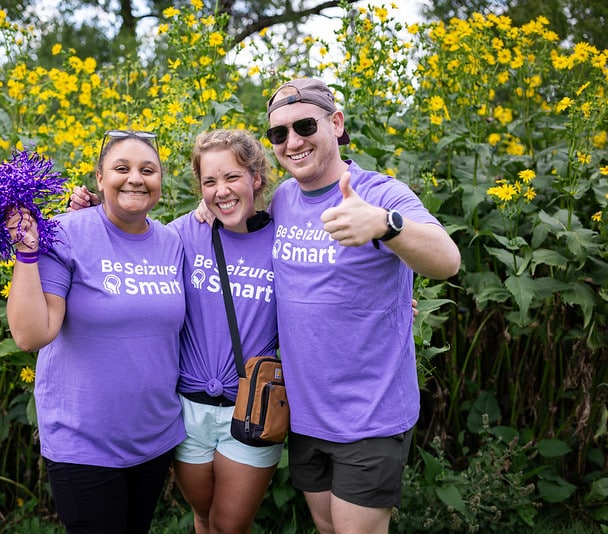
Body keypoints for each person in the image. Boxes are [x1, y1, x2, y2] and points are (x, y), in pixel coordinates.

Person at [262, 78, 461, 534]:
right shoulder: (282, 200)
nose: (293, 142)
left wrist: (385, 226)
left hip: (369, 415)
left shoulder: (381, 194)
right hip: (306, 414)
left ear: (336, 122)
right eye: (278, 133)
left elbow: (448, 260)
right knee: (327, 527)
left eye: (305, 125)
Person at [70, 129, 282, 533]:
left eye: (232, 177)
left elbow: (323, 288)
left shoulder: (281, 237)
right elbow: (130, 238)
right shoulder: (183, 233)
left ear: (256, 178)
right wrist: (95, 209)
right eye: (209, 182)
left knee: (228, 524)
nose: (221, 191)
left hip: (250, 404)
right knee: (202, 516)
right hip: (186, 409)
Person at [6, 129, 186, 533]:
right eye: (121, 168)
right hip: (83, 443)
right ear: (99, 179)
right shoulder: (66, 232)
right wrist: (27, 252)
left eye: (148, 169)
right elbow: (30, 335)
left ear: (161, 180)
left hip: (154, 438)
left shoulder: (173, 242)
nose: (135, 178)